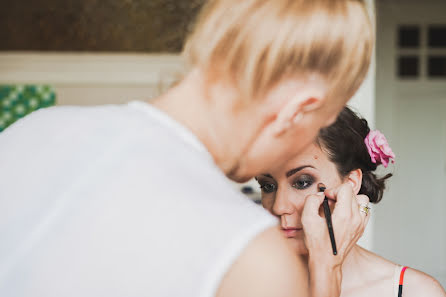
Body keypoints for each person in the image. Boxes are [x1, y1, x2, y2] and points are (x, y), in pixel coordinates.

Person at [0, 1, 374, 296]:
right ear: (298, 110)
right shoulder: (252, 260)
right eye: (319, 123)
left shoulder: (33, 130)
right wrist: (327, 271)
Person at [256, 106, 446, 297]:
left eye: (302, 182)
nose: (279, 207)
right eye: (268, 186)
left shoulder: (415, 291)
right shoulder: (245, 284)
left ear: (351, 183)